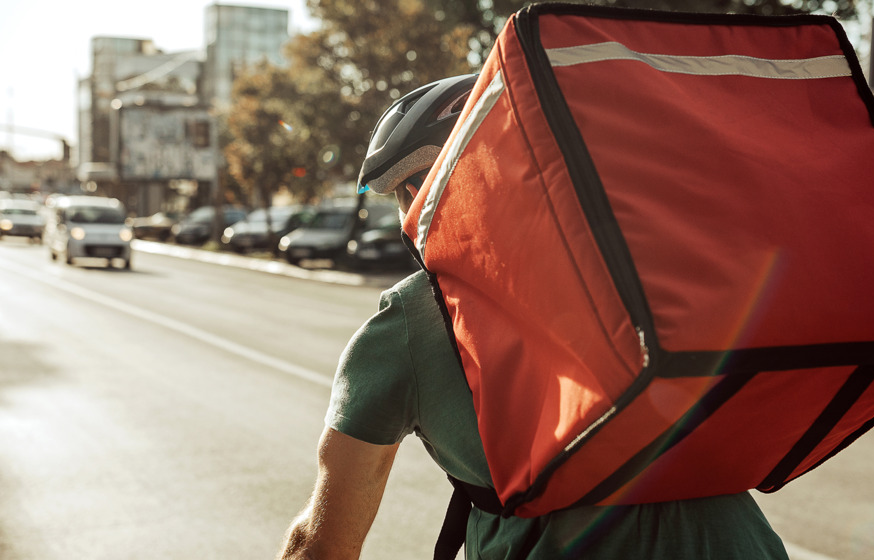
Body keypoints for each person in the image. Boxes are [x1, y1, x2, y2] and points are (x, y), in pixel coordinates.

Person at [279, 74, 789, 559]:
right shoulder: (645, 275)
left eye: (402, 197)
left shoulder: (414, 315)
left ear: (424, 194)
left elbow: (323, 545)